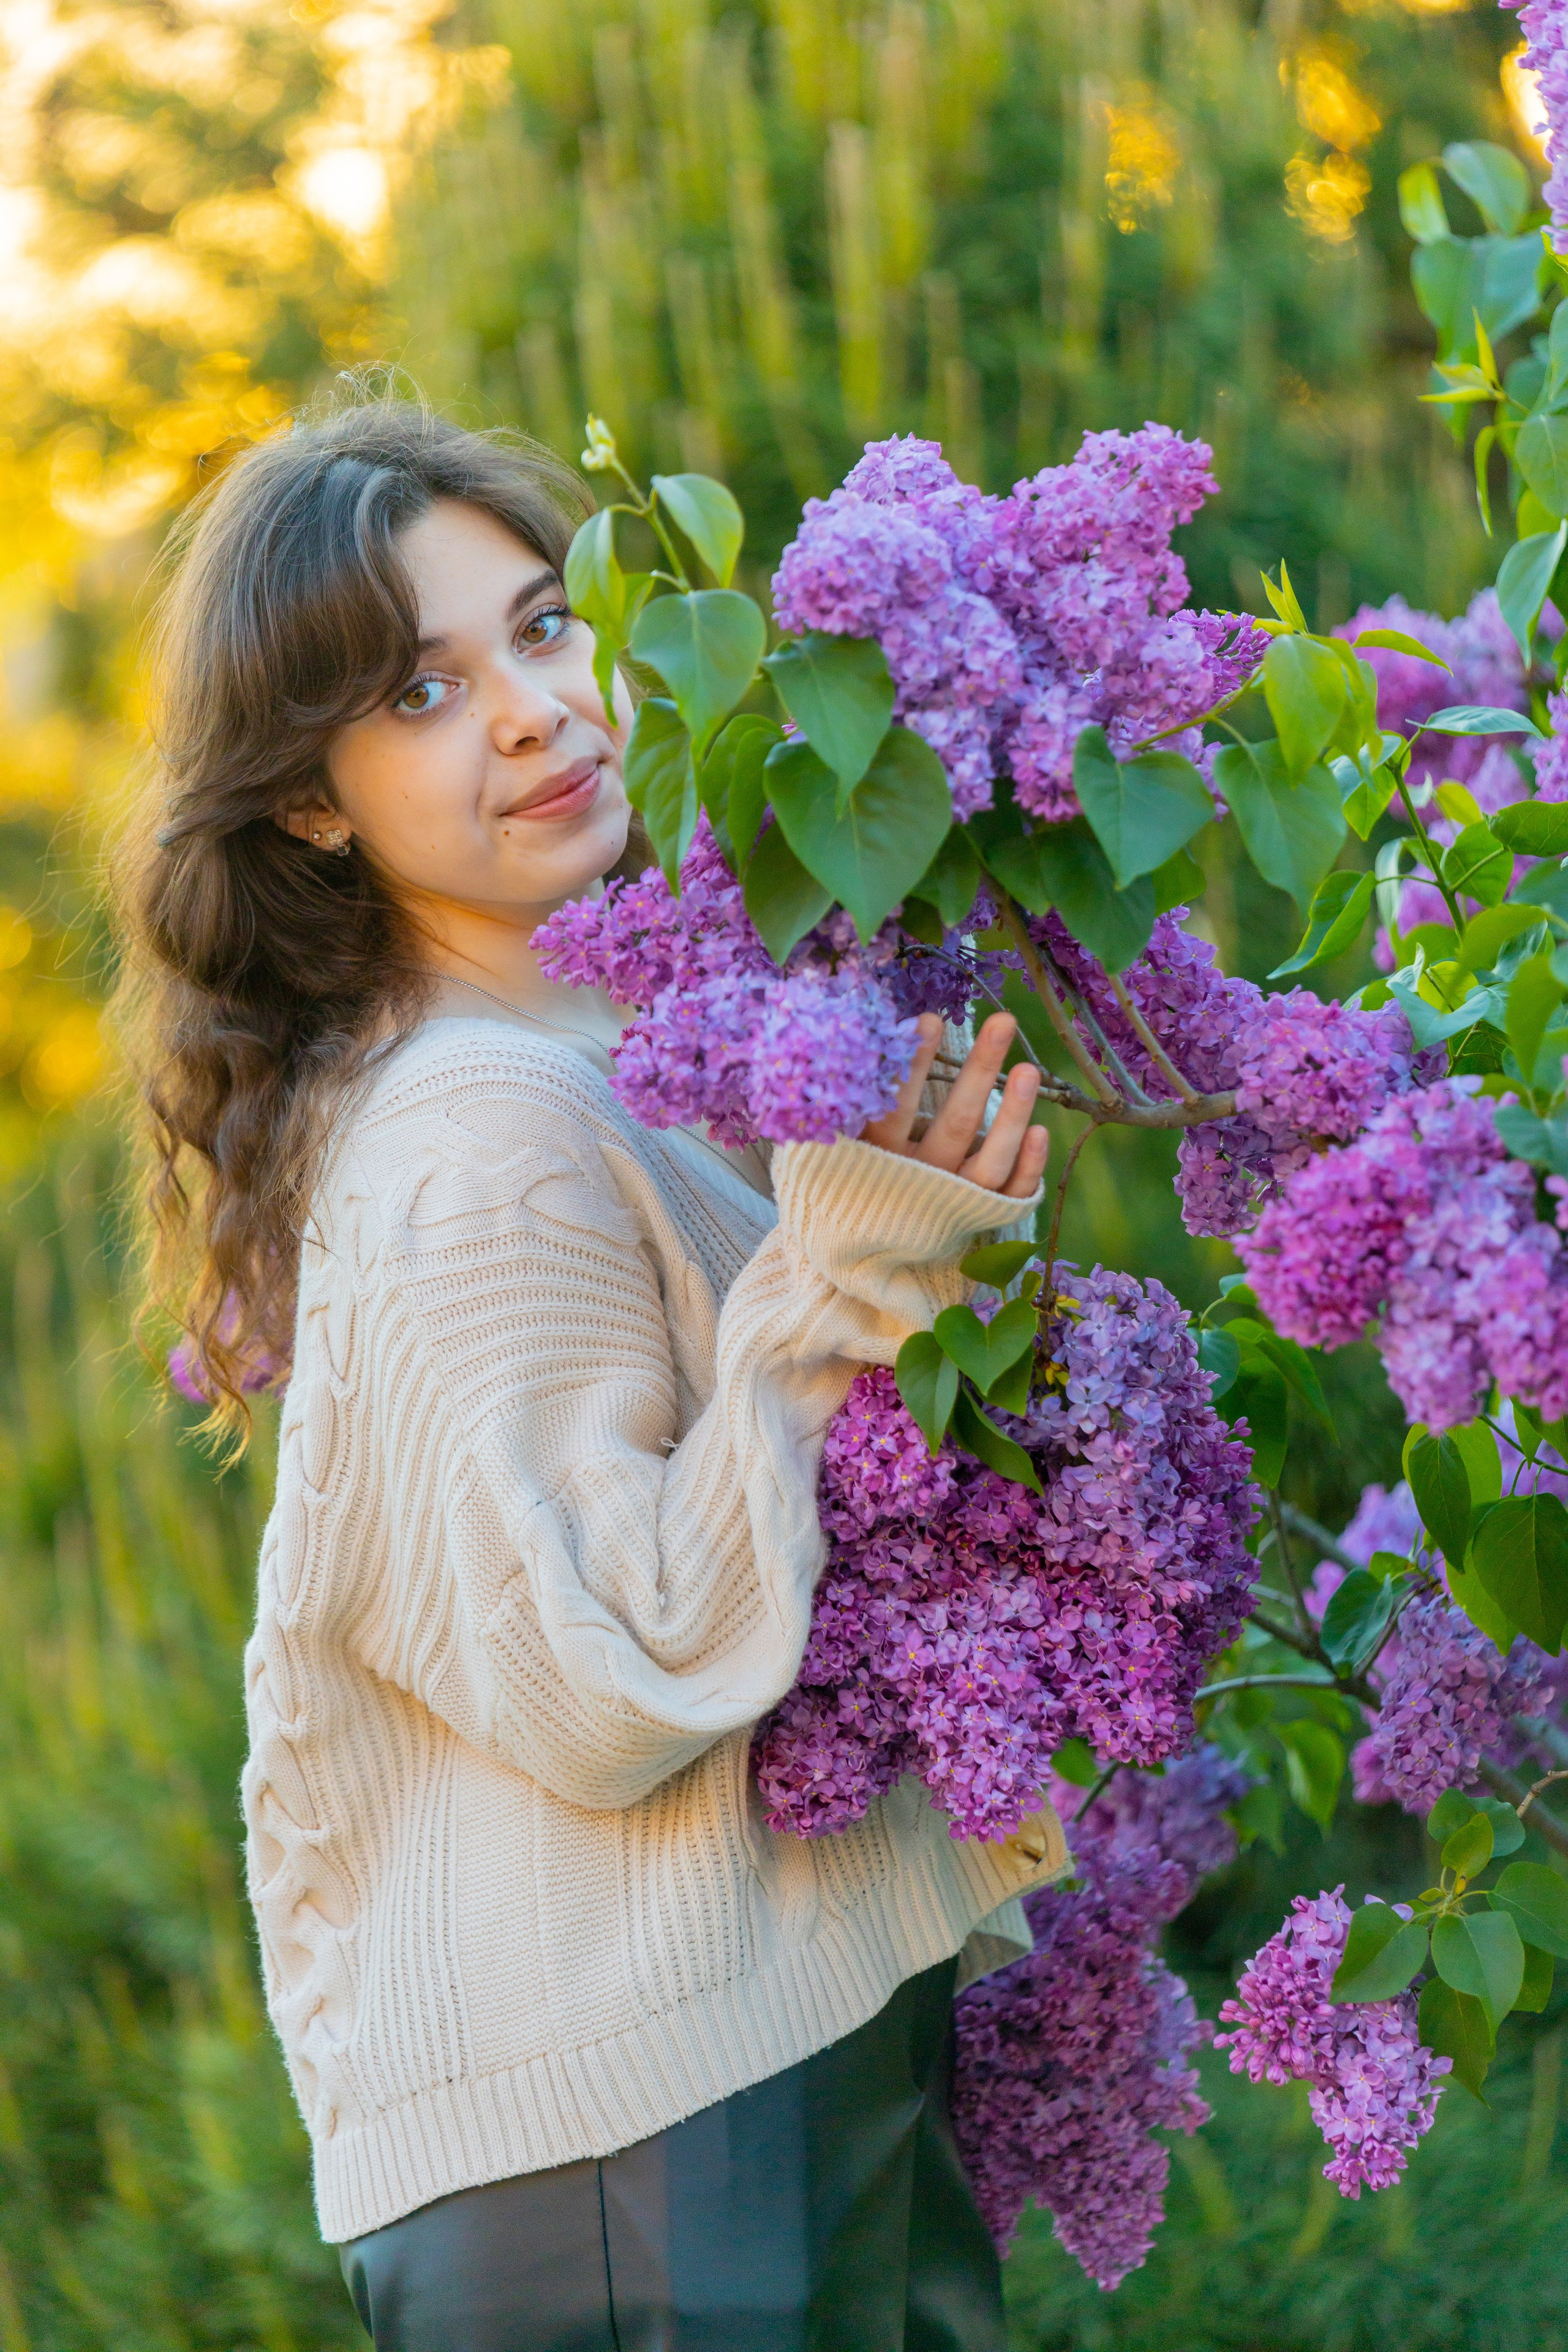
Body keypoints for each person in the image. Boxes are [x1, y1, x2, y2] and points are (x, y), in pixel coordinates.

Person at [118, 386, 1068, 2351]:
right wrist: (838, 1283)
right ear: (308, 799)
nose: (535, 710)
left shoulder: (586, 1068)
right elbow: (595, 1669)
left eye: (543, 627)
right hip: (647, 2162)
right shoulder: (475, 1131)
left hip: (731, 2090)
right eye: (417, 693)